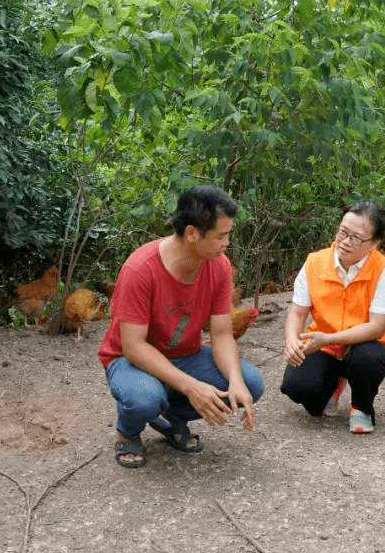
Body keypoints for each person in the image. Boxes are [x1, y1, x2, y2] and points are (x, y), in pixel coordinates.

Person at [98, 185, 265, 468]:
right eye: (221, 236)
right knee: (144, 398)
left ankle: (171, 420)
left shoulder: (219, 266)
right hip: (130, 361)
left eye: (229, 235)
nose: (227, 243)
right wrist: (192, 387)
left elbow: (222, 334)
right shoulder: (140, 269)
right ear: (191, 233)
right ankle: (128, 430)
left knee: (251, 383)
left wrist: (235, 381)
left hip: (185, 356)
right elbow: (133, 346)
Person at [280, 200, 385, 434]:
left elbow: (376, 327)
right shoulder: (315, 262)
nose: (344, 242)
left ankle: (361, 406)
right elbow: (297, 311)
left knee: (368, 359)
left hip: (365, 344)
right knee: (297, 387)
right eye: (342, 232)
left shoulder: (384, 269)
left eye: (355, 238)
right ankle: (333, 384)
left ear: (374, 243)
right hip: (323, 347)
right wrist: (292, 341)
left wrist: (327, 338)